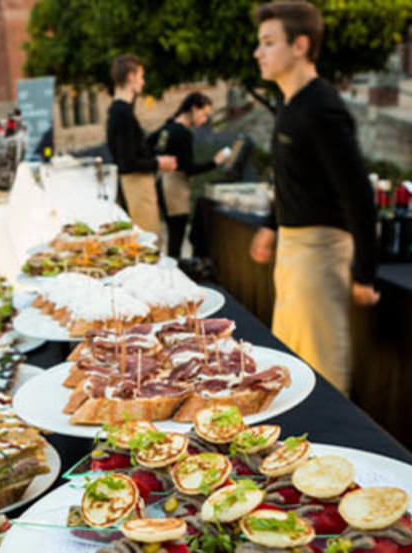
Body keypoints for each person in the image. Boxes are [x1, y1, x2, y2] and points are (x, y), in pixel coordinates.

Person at [248, 1, 380, 394]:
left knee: (323, 370)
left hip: (321, 252)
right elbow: (292, 177)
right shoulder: (288, 103)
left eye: (268, 42)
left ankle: (331, 452)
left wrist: (365, 272)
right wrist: (272, 227)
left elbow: (359, 194)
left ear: (300, 46)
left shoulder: (322, 108)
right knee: (291, 364)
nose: (258, 53)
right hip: (292, 249)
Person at [148, 92, 228, 258]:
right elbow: (189, 168)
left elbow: (148, 145)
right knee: (176, 236)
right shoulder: (183, 133)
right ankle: (175, 272)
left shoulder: (168, 126)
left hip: (161, 183)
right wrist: (215, 162)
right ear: (194, 108)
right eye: (204, 114)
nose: (205, 119)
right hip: (175, 188)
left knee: (171, 232)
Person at [105, 53, 176, 234]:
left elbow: (134, 149)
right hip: (136, 185)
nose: (143, 82)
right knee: (149, 241)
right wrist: (160, 163)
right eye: (141, 76)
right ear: (131, 76)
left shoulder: (120, 110)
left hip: (136, 185)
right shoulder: (122, 112)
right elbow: (128, 162)